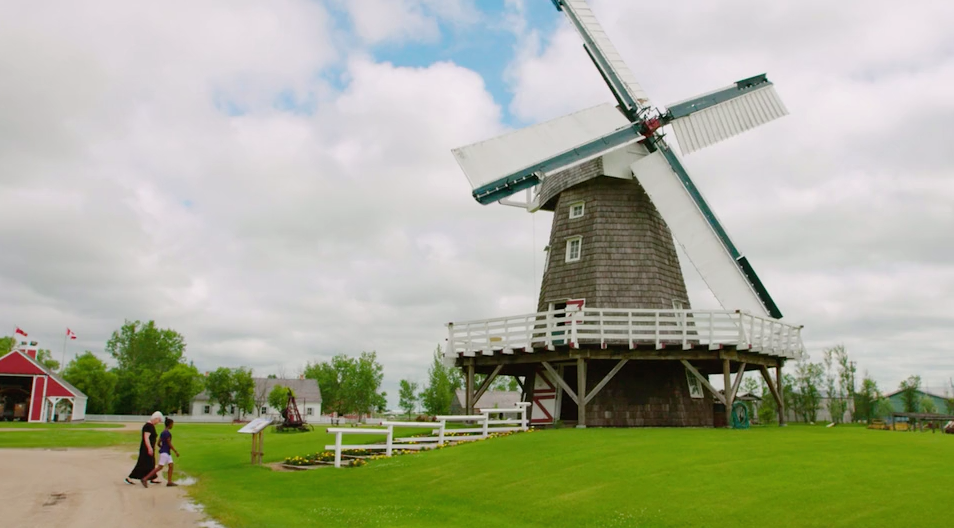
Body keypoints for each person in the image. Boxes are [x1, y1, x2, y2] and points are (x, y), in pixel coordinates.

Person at [125, 411, 163, 487]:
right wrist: (149, 448)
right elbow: (146, 438)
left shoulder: (151, 426)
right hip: (146, 448)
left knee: (151, 463)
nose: (158, 422)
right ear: (155, 418)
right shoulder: (148, 426)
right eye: (158, 420)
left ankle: (153, 478)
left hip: (149, 448)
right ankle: (129, 478)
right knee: (142, 463)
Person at [143, 418, 180, 486]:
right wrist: (175, 451)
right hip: (165, 453)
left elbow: (158, 443)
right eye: (172, 424)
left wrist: (162, 447)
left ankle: (169, 482)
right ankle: (145, 479)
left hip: (166, 452)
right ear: (169, 424)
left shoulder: (163, 432)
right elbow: (169, 443)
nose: (172, 426)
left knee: (171, 466)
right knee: (159, 467)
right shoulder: (167, 433)